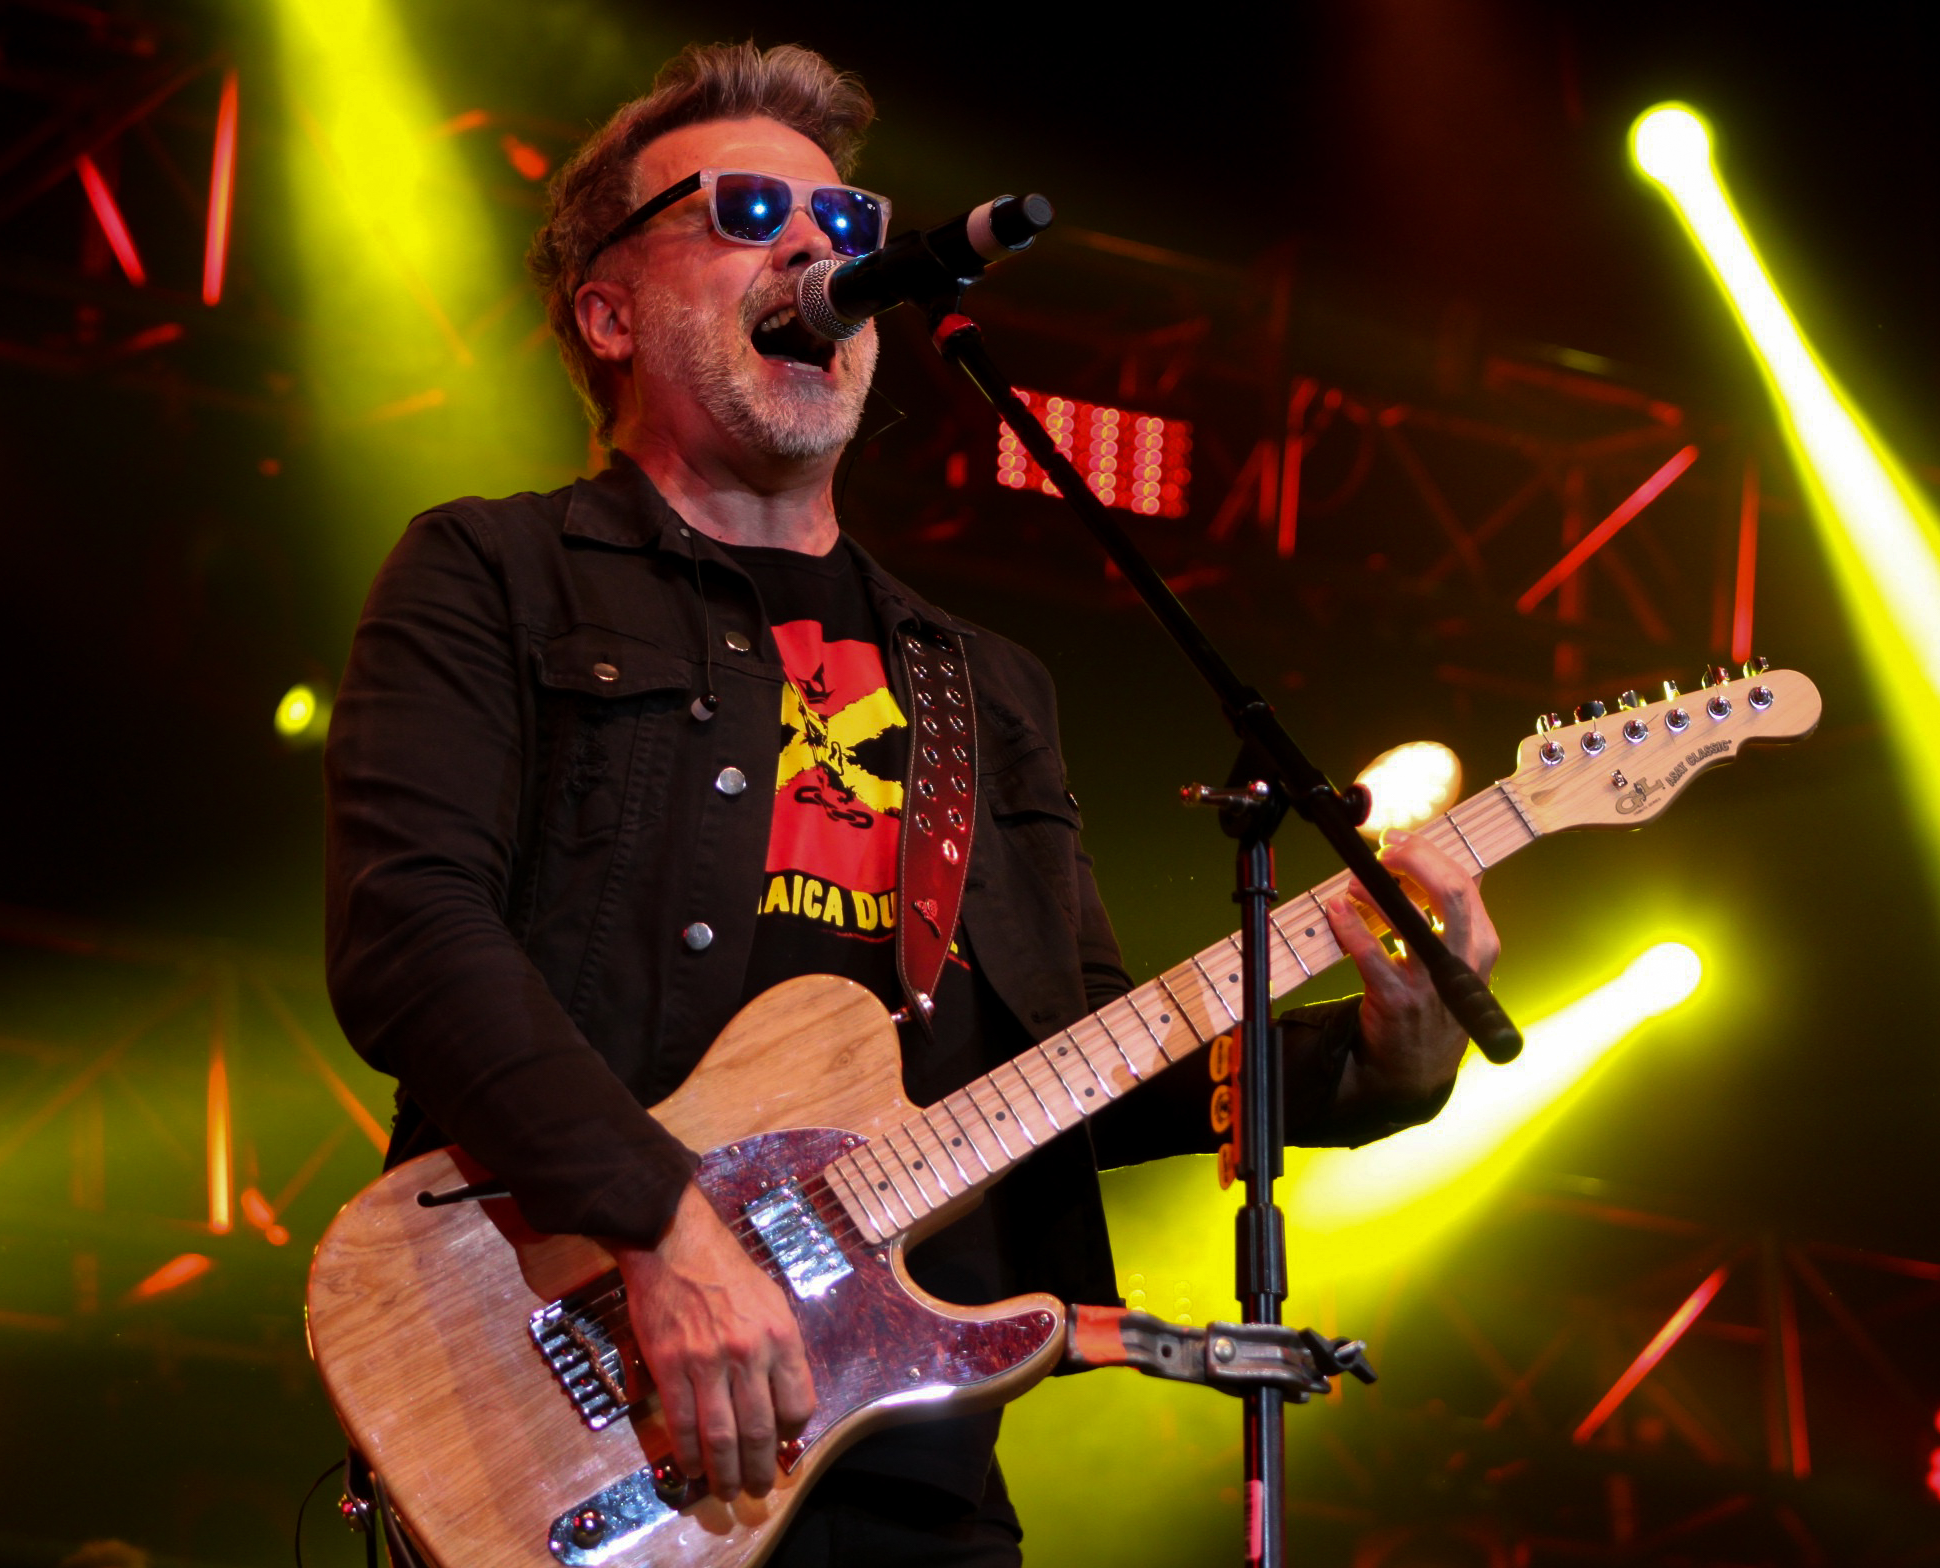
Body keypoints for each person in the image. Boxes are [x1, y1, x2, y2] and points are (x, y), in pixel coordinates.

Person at [323, 40, 1500, 1567]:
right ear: (608, 311)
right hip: (578, 1388)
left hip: (907, 1456)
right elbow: (408, 931)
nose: (818, 252)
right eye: (749, 212)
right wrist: (658, 1222)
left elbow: (1075, 1061)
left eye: (849, 223)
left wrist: (1379, 1058)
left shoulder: (982, 683)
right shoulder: (496, 572)